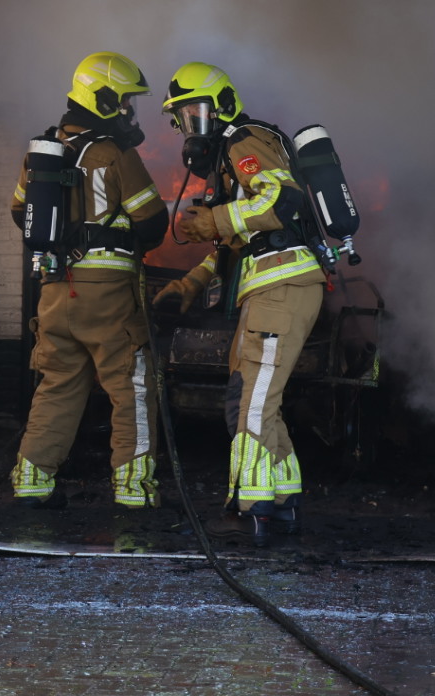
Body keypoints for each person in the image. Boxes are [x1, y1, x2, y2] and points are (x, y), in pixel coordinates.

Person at [153, 62, 325, 545]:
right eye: (183, 119)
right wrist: (191, 284)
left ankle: (249, 511)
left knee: (250, 404)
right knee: (252, 400)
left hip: (283, 285)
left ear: (223, 105)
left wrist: (215, 219)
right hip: (268, 287)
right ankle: (281, 501)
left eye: (197, 113)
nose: (192, 128)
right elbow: (236, 247)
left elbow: (280, 200)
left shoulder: (243, 140)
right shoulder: (230, 159)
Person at [9, 52, 168, 509]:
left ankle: (31, 484)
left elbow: (20, 212)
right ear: (102, 98)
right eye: (124, 102)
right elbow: (152, 222)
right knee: (131, 385)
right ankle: (134, 491)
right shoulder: (114, 153)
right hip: (108, 294)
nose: (128, 112)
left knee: (58, 383)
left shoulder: (41, 152)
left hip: (56, 291)